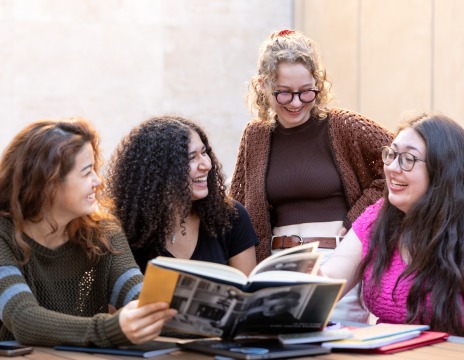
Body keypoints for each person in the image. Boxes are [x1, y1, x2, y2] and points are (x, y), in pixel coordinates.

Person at [229, 29, 393, 322]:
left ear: (318, 84)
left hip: (337, 259)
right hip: (275, 265)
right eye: (284, 92)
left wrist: (355, 218)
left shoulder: (345, 126)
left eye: (306, 91)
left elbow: (402, 164)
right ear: (263, 86)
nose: (295, 102)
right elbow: (238, 204)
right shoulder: (255, 136)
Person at [0, 118, 177, 347]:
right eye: (86, 173)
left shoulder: (104, 232)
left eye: (94, 169)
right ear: (48, 182)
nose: (98, 181)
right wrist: (112, 328)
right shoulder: (3, 234)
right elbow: (23, 319)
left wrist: (227, 321)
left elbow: (143, 301)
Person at [321, 113, 464, 337]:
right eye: (392, 154)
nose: (393, 167)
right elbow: (327, 282)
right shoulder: (377, 217)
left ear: (443, 172)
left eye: (408, 158)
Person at [106, 115, 258, 275]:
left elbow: (248, 295)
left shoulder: (231, 216)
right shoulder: (126, 231)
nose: (206, 165)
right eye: (191, 157)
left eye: (204, 152)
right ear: (159, 171)